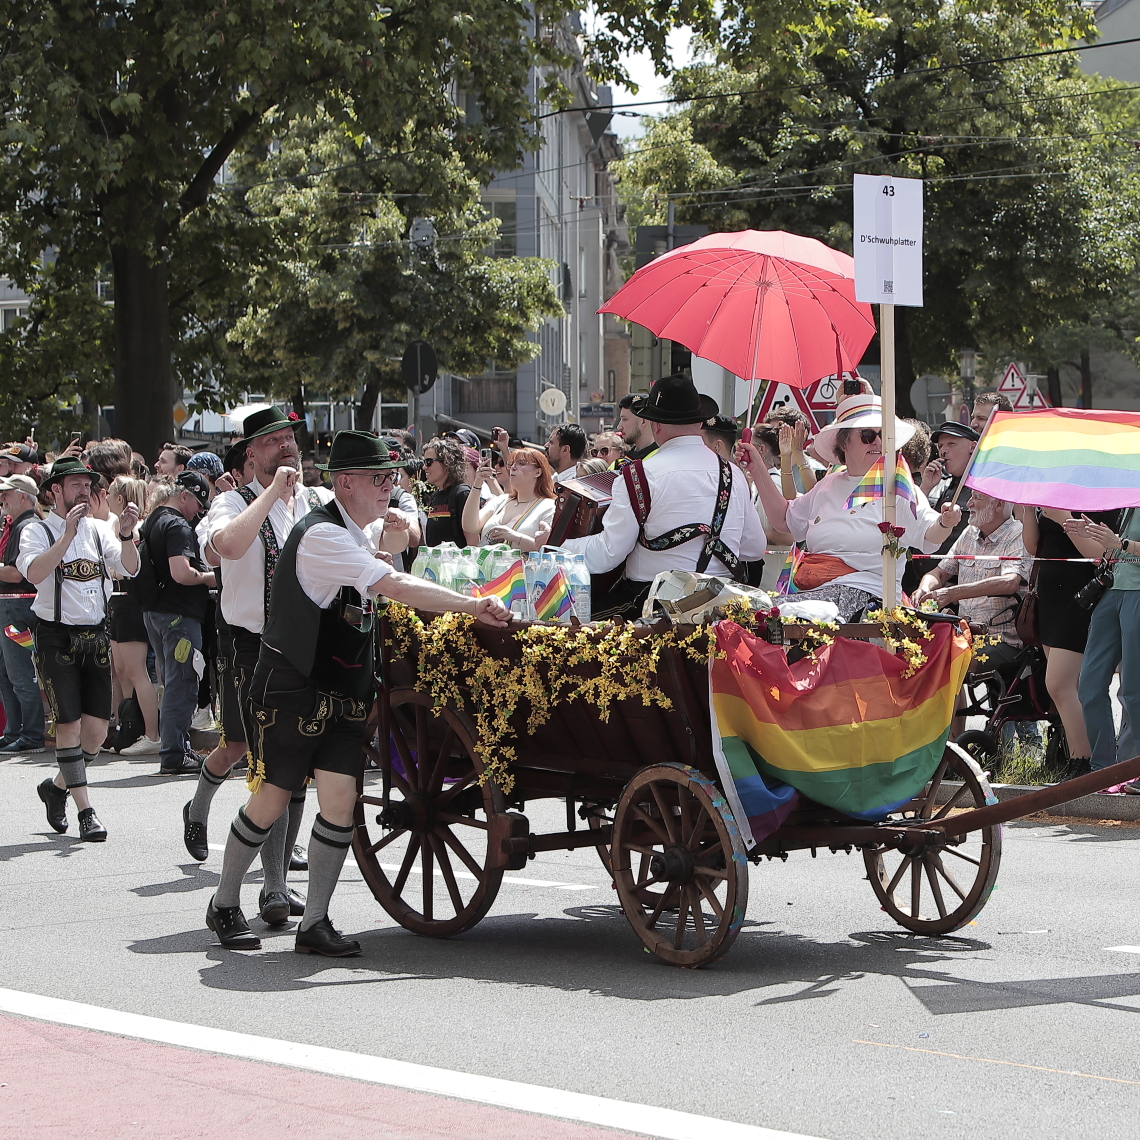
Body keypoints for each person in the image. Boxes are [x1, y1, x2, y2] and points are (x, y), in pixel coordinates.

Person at [206, 431, 511, 954]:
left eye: (391, 477)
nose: (389, 487)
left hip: (342, 688)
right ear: (345, 482)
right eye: (378, 478)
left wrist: (390, 542)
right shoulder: (322, 535)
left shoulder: (354, 529)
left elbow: (391, 557)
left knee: (340, 802)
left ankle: (314, 923)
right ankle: (224, 902)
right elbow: (393, 586)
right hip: (294, 686)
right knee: (271, 800)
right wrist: (471, 605)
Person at [190, 407, 332, 924]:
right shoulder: (230, 502)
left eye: (290, 437)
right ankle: (209, 819)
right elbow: (227, 546)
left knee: (295, 765)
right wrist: (271, 492)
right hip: (250, 647)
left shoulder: (315, 501)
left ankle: (275, 884)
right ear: (251, 453)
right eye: (273, 440)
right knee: (257, 758)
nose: (286, 445)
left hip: (305, 646)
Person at [556, 374, 767, 619]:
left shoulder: (638, 475)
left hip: (652, 607)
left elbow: (608, 554)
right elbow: (754, 549)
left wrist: (558, 545)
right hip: (721, 608)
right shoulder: (733, 474)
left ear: (655, 425)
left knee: (568, 625)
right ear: (699, 423)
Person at [742, 394, 957, 620]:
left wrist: (946, 521)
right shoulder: (828, 484)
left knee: (772, 615)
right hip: (813, 594)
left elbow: (930, 535)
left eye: (883, 435)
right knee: (747, 611)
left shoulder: (897, 487)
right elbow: (785, 520)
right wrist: (756, 467)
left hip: (868, 600)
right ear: (844, 443)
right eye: (868, 435)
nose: (877, 442)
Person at [17, 457, 140, 841]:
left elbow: (129, 569)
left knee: (97, 733)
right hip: (55, 636)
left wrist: (126, 535)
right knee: (68, 724)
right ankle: (86, 811)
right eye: (76, 485)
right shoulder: (37, 530)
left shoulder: (100, 529)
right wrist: (66, 536)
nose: (85, 491)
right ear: (55, 490)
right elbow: (33, 573)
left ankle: (56, 788)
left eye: (88, 485)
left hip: (95, 636)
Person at [913, 492, 1030, 734]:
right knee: (925, 658)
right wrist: (924, 587)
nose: (969, 503)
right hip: (965, 636)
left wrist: (952, 594)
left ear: (999, 504)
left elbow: (1010, 581)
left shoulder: (1017, 533)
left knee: (948, 664)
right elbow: (939, 573)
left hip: (1002, 640)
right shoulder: (969, 533)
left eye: (977, 498)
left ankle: (950, 744)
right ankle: (952, 743)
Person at [1013, 503, 1116, 774]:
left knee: (1059, 685)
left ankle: (1084, 762)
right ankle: (1080, 759)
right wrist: (1028, 509)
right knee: (1069, 689)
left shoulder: (1098, 499)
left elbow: (1100, 553)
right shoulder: (1055, 492)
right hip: (1050, 599)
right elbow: (1033, 546)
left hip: (1080, 598)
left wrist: (1062, 518)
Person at [139, 472, 217, 777]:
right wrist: (211, 578)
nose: (198, 513)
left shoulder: (153, 520)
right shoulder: (177, 525)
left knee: (172, 681)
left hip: (156, 614)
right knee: (182, 683)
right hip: (178, 617)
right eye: (198, 505)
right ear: (184, 496)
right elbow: (181, 573)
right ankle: (174, 753)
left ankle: (176, 748)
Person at [1066, 510, 1140, 777]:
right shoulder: (1127, 500)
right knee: (1089, 686)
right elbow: (1115, 550)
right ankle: (1104, 770)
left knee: (1133, 690)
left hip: (1136, 593)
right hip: (1112, 592)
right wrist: (1097, 536)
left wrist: (1120, 543)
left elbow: (1123, 546)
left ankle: (1133, 769)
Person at [105, 476, 160, 754]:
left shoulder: (133, 529)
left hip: (130, 602)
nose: (104, 497)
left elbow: (125, 570)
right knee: (121, 671)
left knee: (137, 672)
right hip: (118, 602)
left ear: (120, 498)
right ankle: (128, 728)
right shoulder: (114, 525)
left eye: (109, 493)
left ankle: (152, 735)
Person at [904, 420, 980, 594]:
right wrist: (925, 487)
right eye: (940, 446)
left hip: (957, 586)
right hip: (923, 583)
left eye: (951, 444)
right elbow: (911, 518)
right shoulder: (938, 482)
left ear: (972, 446)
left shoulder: (983, 489)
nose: (944, 450)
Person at [0, 474, 46, 755]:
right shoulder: (21, 525)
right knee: (8, 672)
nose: (2, 498)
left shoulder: (26, 526)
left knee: (19, 672)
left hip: (18, 608)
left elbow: (17, 573)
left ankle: (30, 735)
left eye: (7, 493)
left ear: (22, 496)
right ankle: (15, 732)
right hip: (13, 607)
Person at [463, 448, 557, 550]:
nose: (513, 467)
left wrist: (516, 537)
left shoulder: (549, 506)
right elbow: (470, 527)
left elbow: (548, 550)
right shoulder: (500, 501)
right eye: (511, 464)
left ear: (538, 472)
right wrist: (477, 483)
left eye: (521, 463)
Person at [421, 437, 470, 547]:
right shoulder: (435, 495)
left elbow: (473, 543)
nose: (424, 467)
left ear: (447, 463)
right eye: (424, 462)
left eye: (429, 462)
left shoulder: (462, 493)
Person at [615, 394, 657, 464]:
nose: (619, 427)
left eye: (625, 419)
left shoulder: (662, 459)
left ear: (643, 421)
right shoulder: (619, 464)